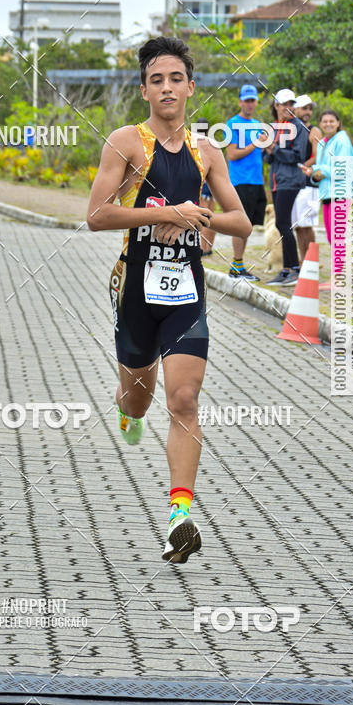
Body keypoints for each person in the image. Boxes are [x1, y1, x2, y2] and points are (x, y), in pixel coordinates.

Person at [87, 36, 252, 563]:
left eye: (175, 78)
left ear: (190, 87)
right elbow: (97, 215)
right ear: (143, 90)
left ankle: (180, 514)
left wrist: (195, 215)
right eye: (156, 79)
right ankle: (126, 409)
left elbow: (242, 222)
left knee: (183, 400)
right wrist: (164, 213)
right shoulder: (126, 143)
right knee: (139, 396)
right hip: (135, 288)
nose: (166, 88)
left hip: (186, 291)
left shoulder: (207, 151)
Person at [299, 110, 353, 287]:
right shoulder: (324, 142)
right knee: (333, 238)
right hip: (328, 196)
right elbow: (324, 168)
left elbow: (342, 168)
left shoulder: (342, 141)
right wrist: (313, 173)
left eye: (332, 121)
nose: (328, 124)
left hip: (340, 194)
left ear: (338, 123)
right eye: (324, 121)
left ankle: (338, 278)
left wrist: (319, 171)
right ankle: (338, 276)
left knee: (338, 238)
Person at [263, 89, 309, 286]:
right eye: (284, 104)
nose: (288, 108)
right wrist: (268, 149)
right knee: (282, 223)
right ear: (276, 106)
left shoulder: (298, 127)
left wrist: (275, 149)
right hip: (277, 179)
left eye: (291, 104)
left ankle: (293, 268)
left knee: (283, 223)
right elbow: (267, 158)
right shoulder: (275, 127)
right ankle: (287, 269)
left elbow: (299, 157)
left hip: (290, 180)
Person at [226, 84, 266, 280]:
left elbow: (261, 154)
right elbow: (232, 154)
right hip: (241, 181)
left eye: (253, 100)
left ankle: (238, 265)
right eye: (247, 100)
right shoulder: (232, 123)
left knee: (249, 225)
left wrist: (268, 146)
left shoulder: (258, 124)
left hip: (257, 181)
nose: (250, 104)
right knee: (241, 224)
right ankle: (236, 266)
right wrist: (255, 144)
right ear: (240, 101)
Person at [292, 94, 322, 262]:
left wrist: (299, 165)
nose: (308, 112)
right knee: (297, 226)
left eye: (310, 109)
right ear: (295, 109)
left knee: (307, 224)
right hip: (295, 182)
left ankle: (311, 262)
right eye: (304, 108)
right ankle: (303, 260)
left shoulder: (314, 130)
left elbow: (317, 156)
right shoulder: (292, 128)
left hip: (308, 184)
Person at [195, 118, 217, 255]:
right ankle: (208, 247)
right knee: (211, 215)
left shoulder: (195, 143)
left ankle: (203, 248)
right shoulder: (212, 143)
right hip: (212, 182)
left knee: (203, 215)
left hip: (203, 181)